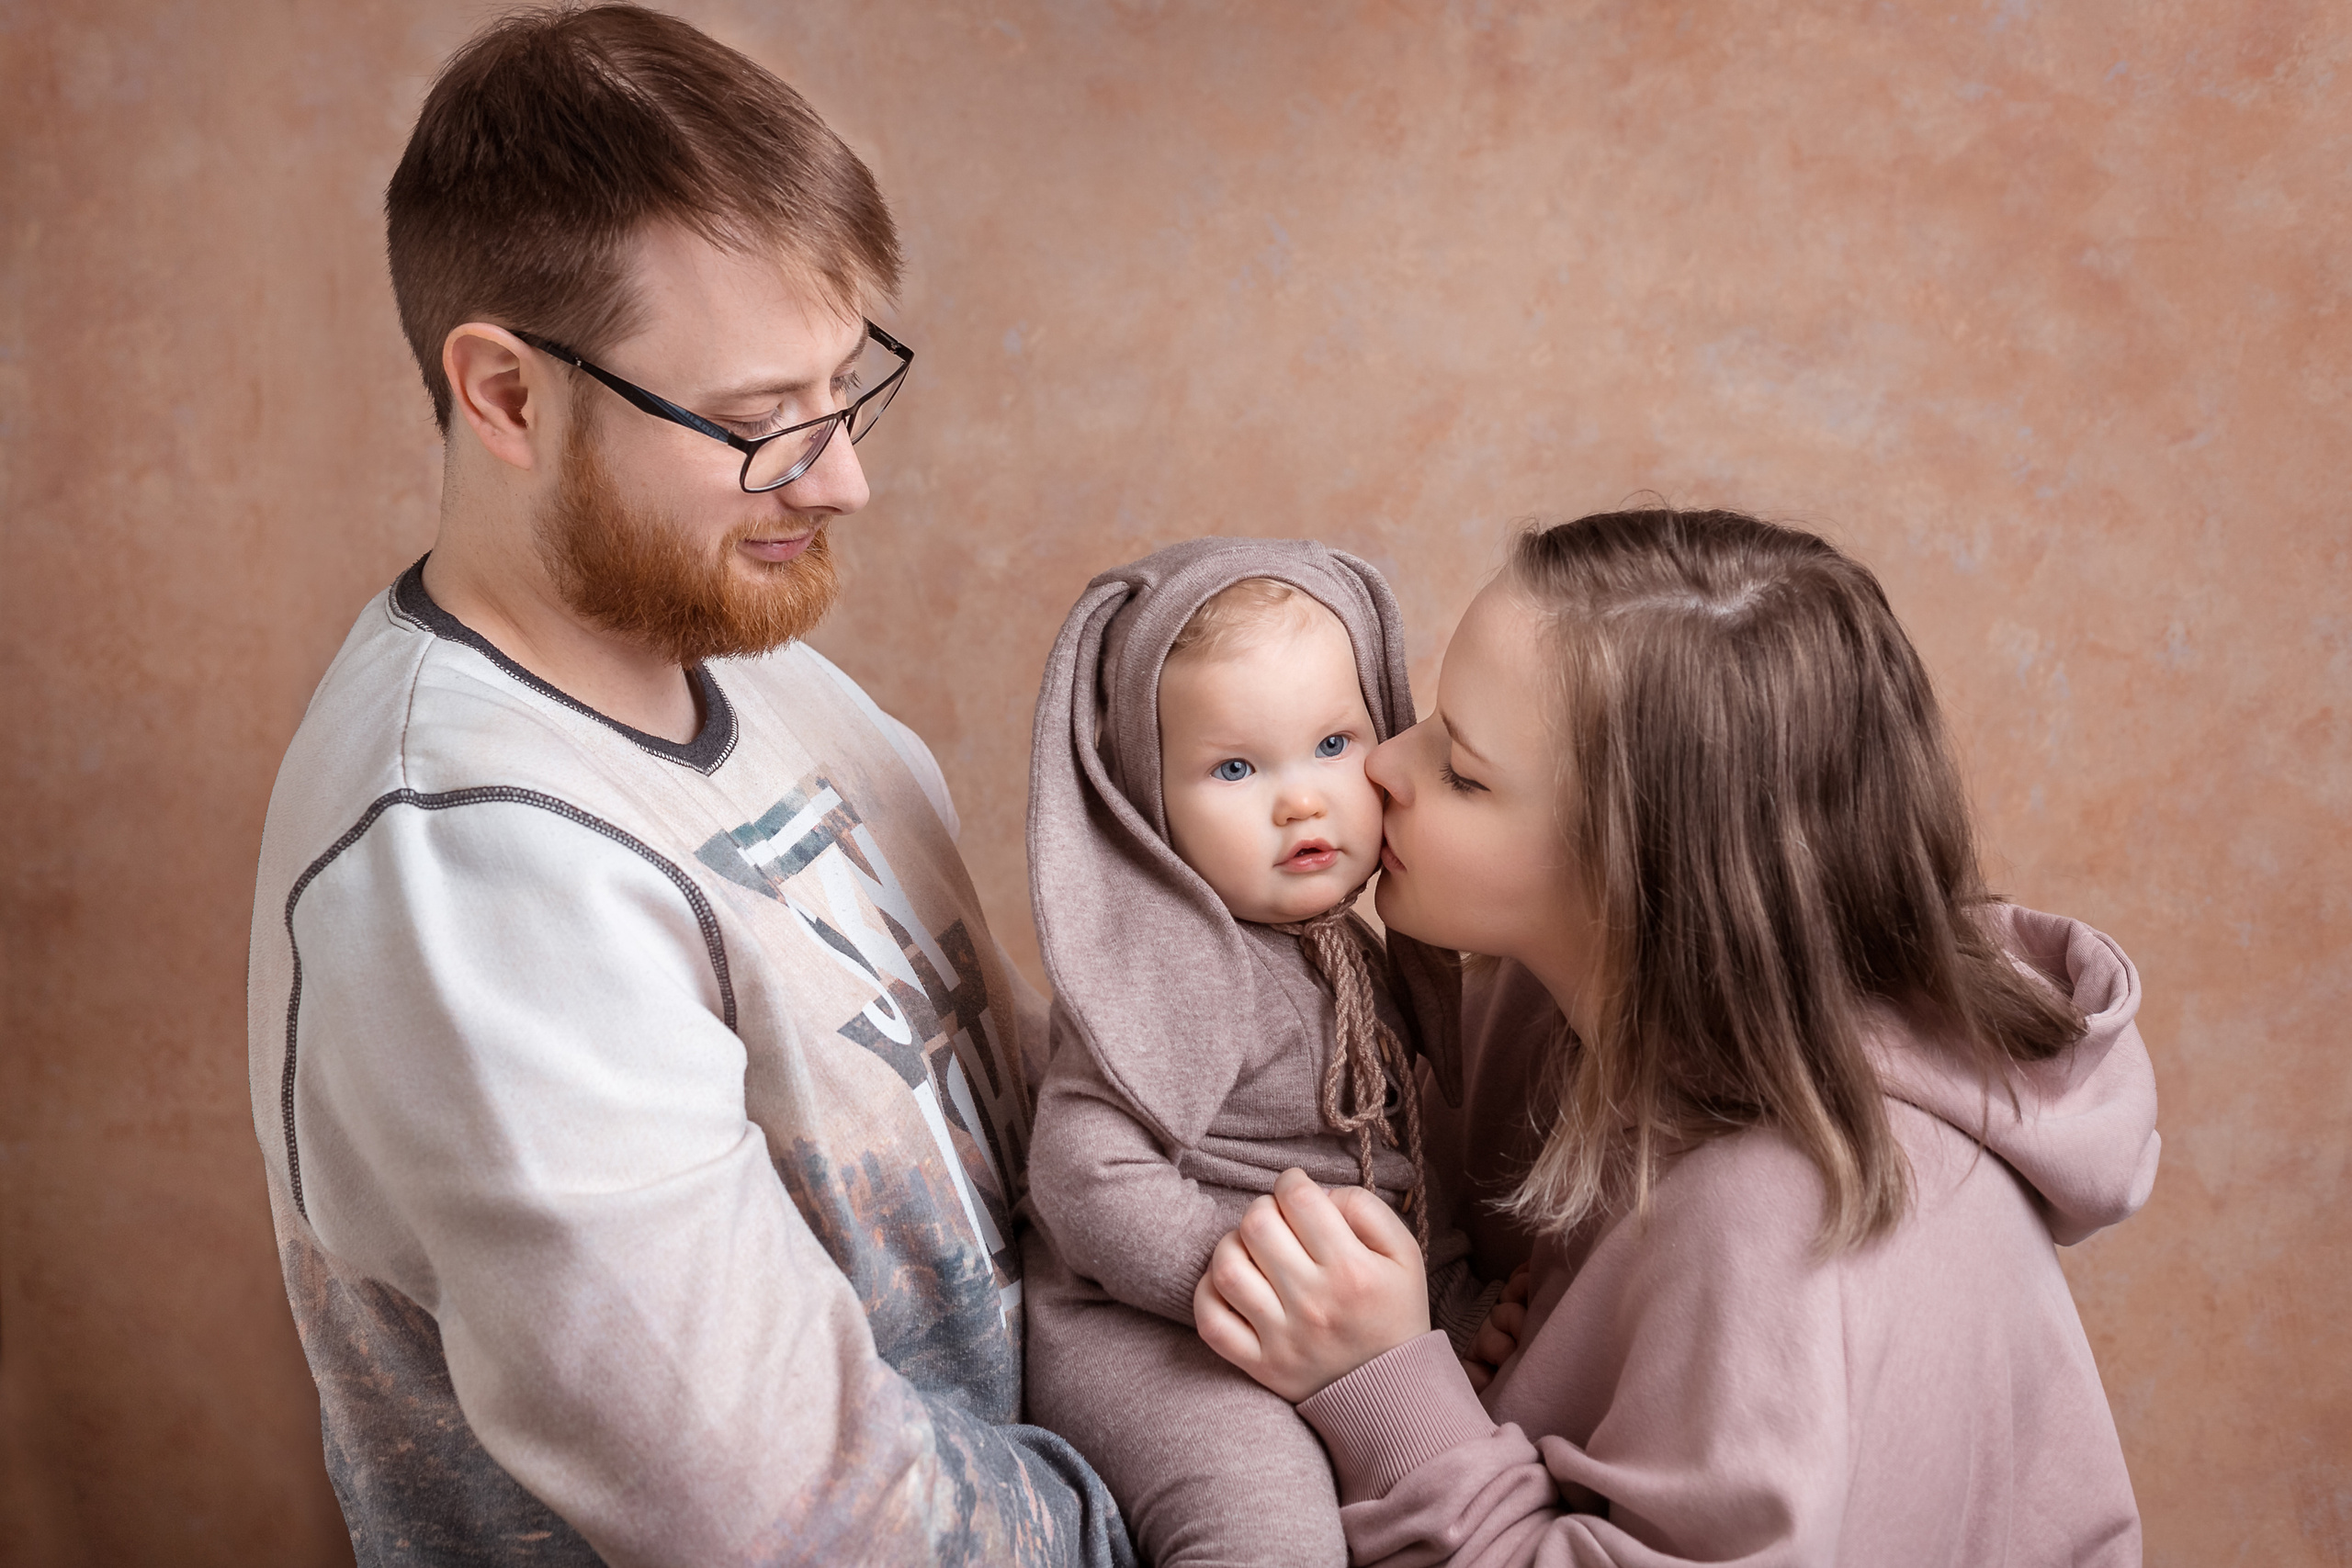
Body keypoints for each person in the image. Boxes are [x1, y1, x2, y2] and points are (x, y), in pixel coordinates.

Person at [243, 7, 1131, 1563]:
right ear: (507, 396)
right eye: (751, 421)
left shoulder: (751, 657)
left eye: (844, 388)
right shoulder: (464, 878)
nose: (842, 474)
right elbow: (808, 1526)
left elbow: (994, 1116)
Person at [1192, 509, 2159, 1565]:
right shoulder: (1551, 1010)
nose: (1380, 766)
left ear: (1639, 877)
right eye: (1426, 718)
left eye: (1463, 773)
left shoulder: (1784, 1224)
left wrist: (1381, 1391)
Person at [1019, 539, 1499, 1568]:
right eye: (1236, 768)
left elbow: (1395, 1174)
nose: (1300, 800)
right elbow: (1080, 1168)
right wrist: (1235, 1277)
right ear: (1149, 802)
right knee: (1267, 1522)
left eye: (1333, 744)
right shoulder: (1181, 967)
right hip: (1157, 1340)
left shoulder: (1349, 952)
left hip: (1305, 1320)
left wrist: (1450, 1311)